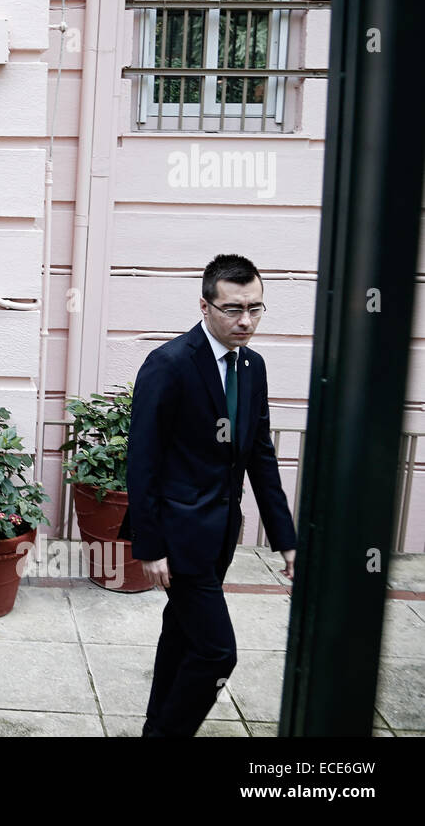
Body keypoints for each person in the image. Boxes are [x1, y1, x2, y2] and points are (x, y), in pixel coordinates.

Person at [122, 253, 298, 737]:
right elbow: (143, 461)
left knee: (181, 634)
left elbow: (260, 455)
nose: (245, 321)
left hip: (220, 533)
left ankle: (155, 725)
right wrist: (150, 545)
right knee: (219, 651)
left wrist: (286, 539)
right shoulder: (170, 364)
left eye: (256, 309)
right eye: (233, 309)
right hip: (179, 539)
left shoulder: (252, 367)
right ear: (205, 306)